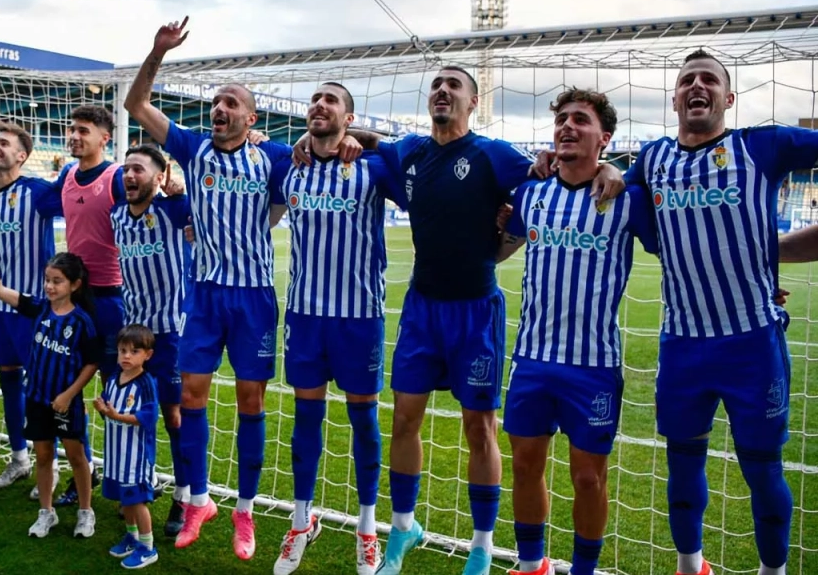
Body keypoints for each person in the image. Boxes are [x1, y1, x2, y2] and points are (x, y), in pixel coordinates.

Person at [325, 67, 622, 575]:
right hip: (422, 309)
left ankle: (482, 546)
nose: (442, 91)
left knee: (479, 427)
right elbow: (375, 142)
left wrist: (607, 166)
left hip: (476, 313)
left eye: (453, 86)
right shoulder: (410, 152)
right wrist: (337, 136)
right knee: (404, 418)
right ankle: (403, 527)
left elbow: (555, 172)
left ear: (472, 101)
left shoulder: (494, 154)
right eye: (436, 85)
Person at [124, 16, 323, 559]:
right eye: (217, 100)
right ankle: (198, 501)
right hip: (205, 295)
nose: (221, 107)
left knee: (251, 400)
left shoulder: (275, 156)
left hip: (254, 296)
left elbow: (322, 146)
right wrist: (157, 51)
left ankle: (245, 511)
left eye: (232, 102)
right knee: (190, 398)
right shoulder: (193, 149)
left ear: (251, 117)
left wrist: (322, 137)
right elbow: (136, 107)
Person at [614, 49, 817, 575]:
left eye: (709, 80)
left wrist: (776, 253)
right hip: (682, 346)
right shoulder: (652, 160)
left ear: (728, 99)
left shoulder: (763, 146)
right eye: (687, 80)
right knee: (682, 470)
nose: (696, 86)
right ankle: (690, 566)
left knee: (763, 471)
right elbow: (610, 192)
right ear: (675, 98)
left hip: (752, 344)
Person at [497, 89, 658, 575]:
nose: (567, 126)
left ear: (604, 137)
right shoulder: (531, 194)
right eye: (562, 119)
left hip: (593, 365)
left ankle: (584, 570)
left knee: (588, 477)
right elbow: (498, 249)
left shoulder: (626, 199)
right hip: (532, 359)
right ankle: (531, 565)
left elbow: (679, 249)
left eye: (581, 120)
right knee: (525, 467)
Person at [269, 82, 400, 575]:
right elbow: (247, 145)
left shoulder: (373, 167)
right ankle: (302, 521)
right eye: (314, 100)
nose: (319, 106)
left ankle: (367, 528)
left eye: (331, 101)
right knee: (306, 421)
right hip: (304, 315)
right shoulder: (289, 162)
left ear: (349, 116)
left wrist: (363, 138)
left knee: (363, 420)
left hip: (359, 317)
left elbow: (415, 154)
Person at [0, 245, 100, 540]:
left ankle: (85, 511)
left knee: (76, 455)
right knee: (43, 455)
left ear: (75, 285)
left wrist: (69, 394)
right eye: (47, 279)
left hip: (66, 403)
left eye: (57, 280)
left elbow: (92, 363)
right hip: (37, 399)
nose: (50, 286)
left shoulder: (82, 321)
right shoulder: (39, 308)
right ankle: (46, 512)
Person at [109, 143, 191, 537]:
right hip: (131, 335)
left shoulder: (174, 210)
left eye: (139, 169)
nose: (130, 175)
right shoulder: (116, 215)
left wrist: (181, 189)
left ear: (160, 176)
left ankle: (183, 494)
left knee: (174, 417)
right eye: (126, 169)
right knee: (131, 414)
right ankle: (137, 484)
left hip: (170, 332)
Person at [0, 122, 59, 490]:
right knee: (9, 382)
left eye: (4, 144)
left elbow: (78, 197)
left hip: (34, 307)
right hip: (0, 307)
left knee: (43, 388)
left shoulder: (38, 191)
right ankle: (19, 458)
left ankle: (50, 466)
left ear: (22, 155)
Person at [98, 324, 161, 570]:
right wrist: (103, 409)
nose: (126, 356)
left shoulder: (145, 384)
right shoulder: (114, 378)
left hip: (136, 457)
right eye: (122, 350)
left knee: (137, 501)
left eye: (134, 351)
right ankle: (132, 537)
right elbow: (108, 406)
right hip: (116, 454)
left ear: (148, 355)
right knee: (126, 501)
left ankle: (147, 546)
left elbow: (148, 418)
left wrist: (115, 415)